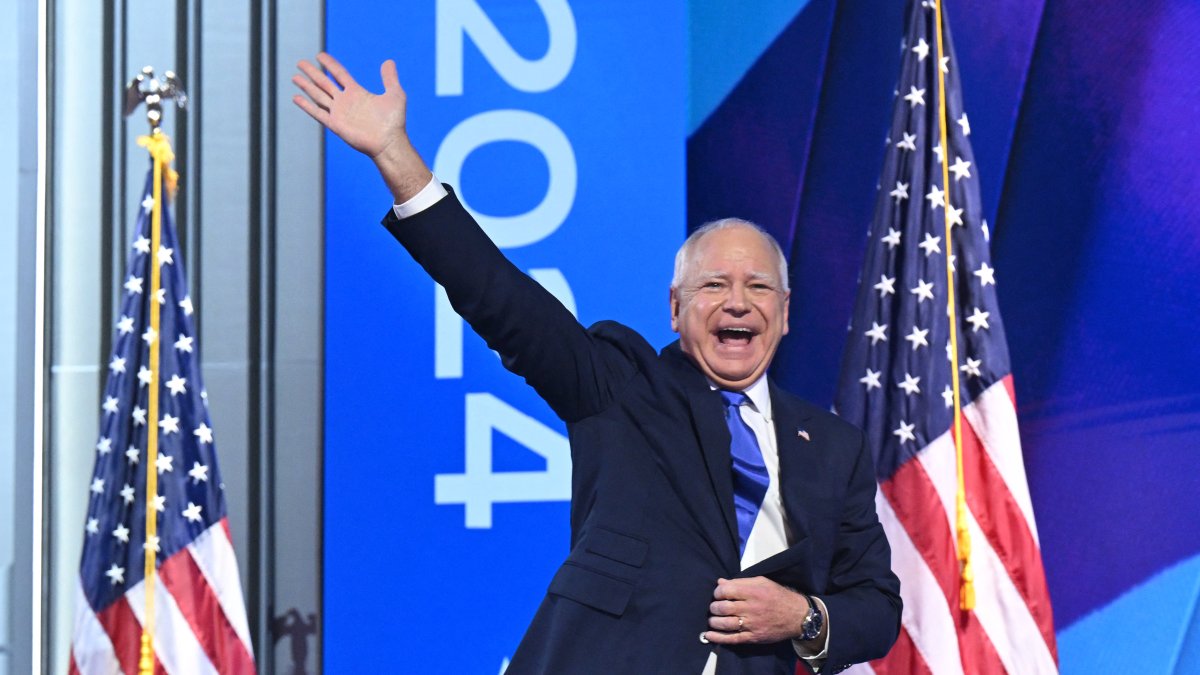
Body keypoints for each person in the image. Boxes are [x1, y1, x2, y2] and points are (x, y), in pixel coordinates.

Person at [292, 52, 900, 674]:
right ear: (675, 308)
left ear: (787, 311)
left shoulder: (831, 446)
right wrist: (396, 155)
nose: (738, 302)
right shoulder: (622, 386)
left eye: (759, 287)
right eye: (714, 285)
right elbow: (499, 296)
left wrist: (803, 617)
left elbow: (877, 606)